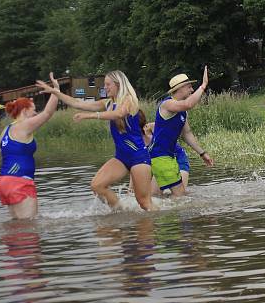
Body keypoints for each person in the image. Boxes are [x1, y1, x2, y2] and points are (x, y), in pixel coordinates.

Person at [37, 71, 156, 211]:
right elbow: (77, 103)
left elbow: (119, 114)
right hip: (121, 158)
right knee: (97, 185)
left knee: (144, 203)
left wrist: (90, 116)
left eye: (108, 84)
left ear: (118, 84)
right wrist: (56, 92)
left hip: (139, 157)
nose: (105, 87)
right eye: (104, 84)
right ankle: (122, 212)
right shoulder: (108, 103)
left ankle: (158, 222)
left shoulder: (129, 99)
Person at [0, 74, 59, 219]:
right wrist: (56, 90)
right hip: (20, 180)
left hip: (4, 182)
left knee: (16, 226)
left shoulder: (4, 132)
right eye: (33, 110)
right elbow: (48, 113)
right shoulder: (24, 125)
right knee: (29, 228)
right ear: (24, 111)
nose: (35, 112)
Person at [148, 68, 214, 197]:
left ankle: (139, 215)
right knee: (180, 197)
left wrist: (202, 153)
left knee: (154, 197)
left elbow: (187, 134)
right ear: (180, 88)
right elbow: (188, 104)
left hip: (164, 157)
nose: (192, 90)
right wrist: (203, 85)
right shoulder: (167, 104)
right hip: (162, 157)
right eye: (189, 87)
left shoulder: (182, 111)